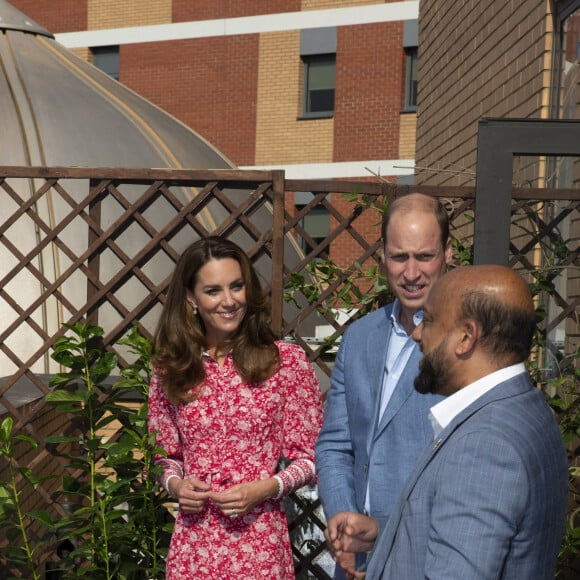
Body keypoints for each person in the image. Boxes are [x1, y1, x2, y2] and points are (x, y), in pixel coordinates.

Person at [325, 265, 569, 580]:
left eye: (427, 321)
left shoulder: (486, 445)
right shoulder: (526, 408)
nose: (415, 335)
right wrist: (383, 533)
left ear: (466, 337)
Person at [147, 236, 324, 579]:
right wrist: (176, 486)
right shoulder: (170, 369)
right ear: (190, 298)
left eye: (237, 286)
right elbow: (162, 456)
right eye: (213, 290)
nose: (229, 301)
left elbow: (311, 458)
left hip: (259, 545)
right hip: (194, 548)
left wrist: (266, 488)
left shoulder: (286, 362)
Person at [315, 193, 452, 578]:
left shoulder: (467, 344)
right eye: (399, 256)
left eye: (424, 257)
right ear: (382, 256)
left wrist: (387, 533)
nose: (411, 273)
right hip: (356, 562)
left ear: (447, 252)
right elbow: (336, 444)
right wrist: (343, 518)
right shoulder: (359, 337)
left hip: (431, 560)